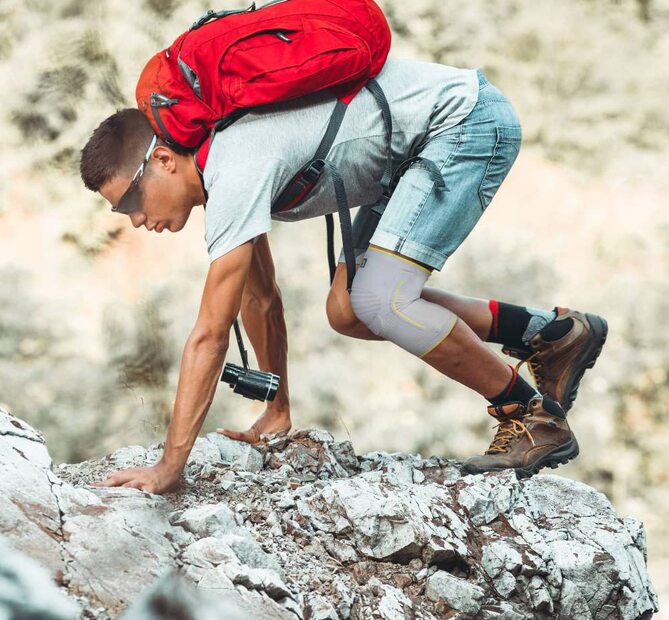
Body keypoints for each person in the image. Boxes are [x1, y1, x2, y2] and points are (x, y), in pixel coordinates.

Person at [79, 58, 607, 494]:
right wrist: (276, 408)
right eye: (120, 211)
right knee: (350, 308)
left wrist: (170, 468)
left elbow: (210, 336)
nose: (136, 220)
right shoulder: (222, 171)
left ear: (165, 160)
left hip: (464, 123)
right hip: (415, 150)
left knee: (381, 299)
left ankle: (532, 417)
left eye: (131, 199)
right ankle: (550, 335)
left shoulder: (234, 167)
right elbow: (259, 299)